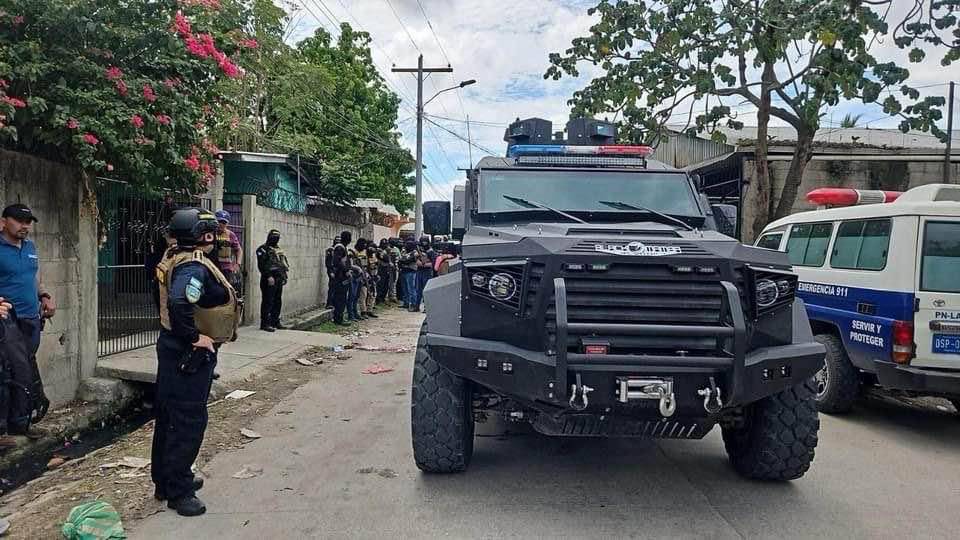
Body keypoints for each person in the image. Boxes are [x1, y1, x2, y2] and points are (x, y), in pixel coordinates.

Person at [152, 208, 240, 517]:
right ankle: (180, 491)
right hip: (187, 354)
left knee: (169, 416)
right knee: (188, 421)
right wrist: (194, 338)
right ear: (204, 235)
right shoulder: (192, 266)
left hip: (171, 348)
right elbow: (179, 301)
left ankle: (166, 481)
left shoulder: (173, 256)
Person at [0, 204, 55, 358]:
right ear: (3, 222)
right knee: (9, 375)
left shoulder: (30, 246)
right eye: (19, 221)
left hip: (31, 321)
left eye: (28, 222)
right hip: (6, 324)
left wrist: (44, 296)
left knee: (27, 370)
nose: (24, 226)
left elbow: (33, 275)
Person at [256, 230, 289, 332]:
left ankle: (275, 321)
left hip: (279, 278)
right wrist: (269, 276)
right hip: (269, 279)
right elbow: (262, 265)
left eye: (277, 237)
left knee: (277, 301)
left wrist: (284, 276)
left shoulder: (278, 249)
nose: (276, 239)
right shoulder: (262, 249)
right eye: (274, 237)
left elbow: (282, 263)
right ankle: (265, 323)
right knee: (267, 301)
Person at [213, 210, 243, 296]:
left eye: (223, 222)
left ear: (227, 223)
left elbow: (238, 250)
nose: (221, 224)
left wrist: (237, 264)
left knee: (227, 291)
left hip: (226, 269)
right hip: (213, 266)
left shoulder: (230, 235)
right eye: (219, 221)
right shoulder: (211, 234)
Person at [330, 242, 350, 326]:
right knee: (340, 300)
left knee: (342, 300)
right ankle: (338, 319)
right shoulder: (338, 252)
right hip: (340, 280)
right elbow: (340, 265)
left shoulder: (341, 253)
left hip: (343, 280)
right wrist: (346, 271)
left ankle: (339, 317)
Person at [399, 238, 420, 312]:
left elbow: (408, 260)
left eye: (408, 245)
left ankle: (413, 304)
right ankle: (406, 303)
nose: (406, 246)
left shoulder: (415, 252)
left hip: (411, 272)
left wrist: (403, 260)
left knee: (411, 289)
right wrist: (403, 260)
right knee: (404, 289)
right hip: (403, 271)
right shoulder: (404, 251)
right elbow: (400, 259)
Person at [415, 236, 434, 311]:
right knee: (418, 289)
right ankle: (416, 306)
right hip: (419, 271)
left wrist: (424, 264)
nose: (424, 243)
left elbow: (433, 263)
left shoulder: (431, 251)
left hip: (427, 271)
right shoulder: (418, 250)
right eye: (422, 241)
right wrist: (418, 262)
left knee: (426, 290)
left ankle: (427, 308)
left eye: (425, 241)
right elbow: (416, 260)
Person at [364, 243, 379, 318]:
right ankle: (365, 310)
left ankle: (370, 310)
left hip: (373, 277)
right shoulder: (365, 257)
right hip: (367, 278)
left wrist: (375, 275)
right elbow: (367, 268)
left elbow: (375, 266)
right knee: (366, 295)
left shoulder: (374, 256)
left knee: (373, 294)